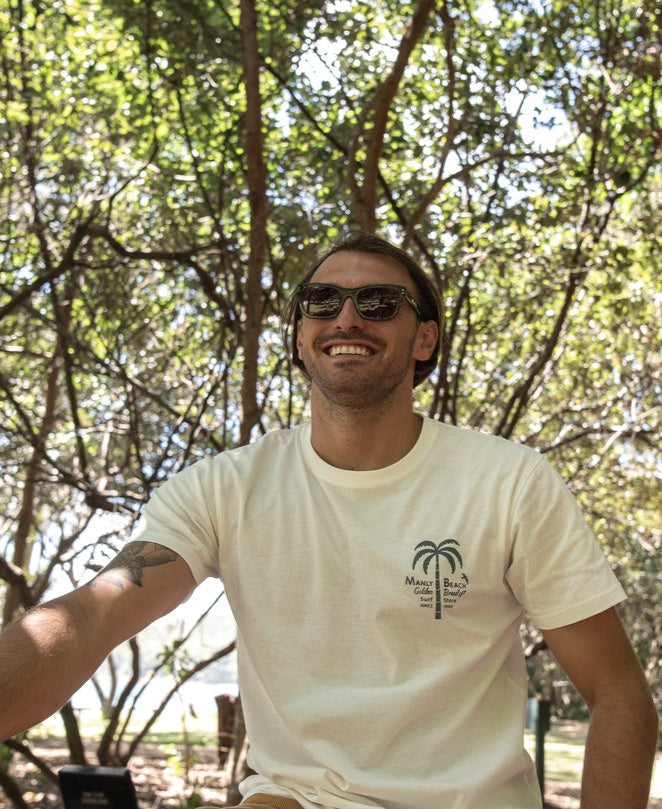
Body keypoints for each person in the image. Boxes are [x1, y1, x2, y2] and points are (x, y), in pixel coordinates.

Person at [0, 231, 657, 809]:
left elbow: (618, 691)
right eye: (322, 302)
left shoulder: (509, 483)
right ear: (298, 335)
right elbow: (93, 616)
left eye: (378, 303)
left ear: (424, 336)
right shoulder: (224, 489)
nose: (347, 316)